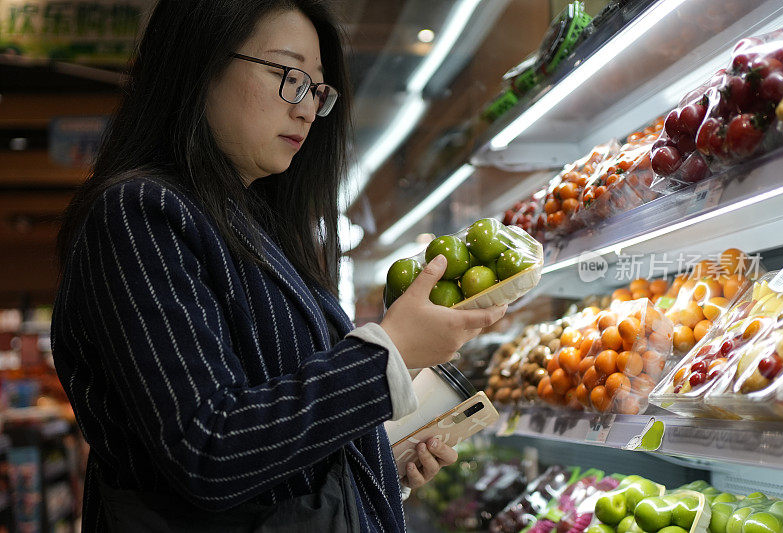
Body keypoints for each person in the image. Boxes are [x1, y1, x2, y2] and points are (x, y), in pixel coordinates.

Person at [51, 0, 506, 531]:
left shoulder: (253, 226)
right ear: (201, 63)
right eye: (289, 76)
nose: (307, 108)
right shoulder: (140, 213)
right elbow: (209, 451)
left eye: (317, 89)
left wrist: (373, 467)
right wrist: (390, 355)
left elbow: (263, 442)